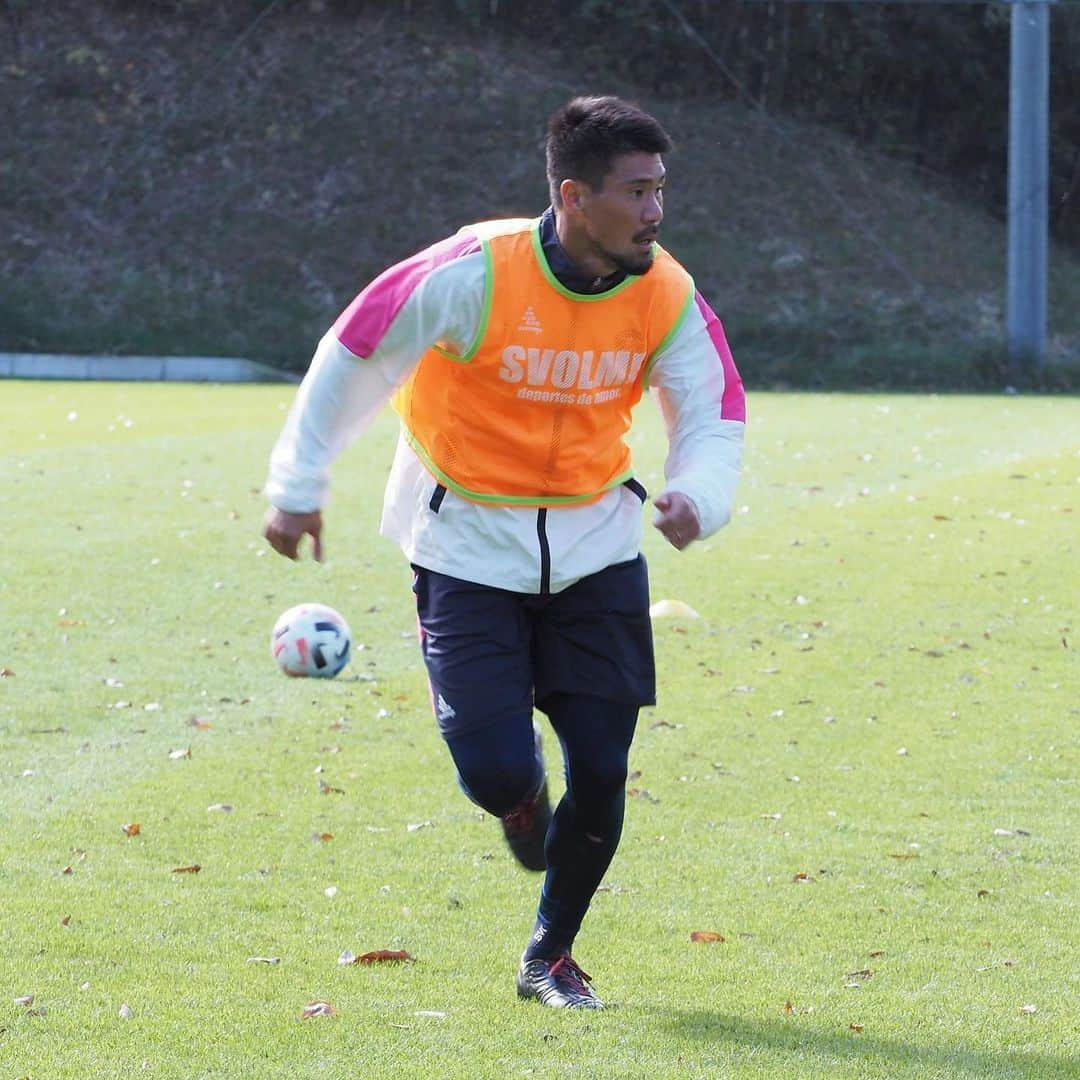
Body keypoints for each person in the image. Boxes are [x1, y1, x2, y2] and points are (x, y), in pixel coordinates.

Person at [262, 95, 745, 1010]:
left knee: (602, 768)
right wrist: (296, 487)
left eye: (660, 190)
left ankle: (550, 957)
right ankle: (519, 798)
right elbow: (355, 352)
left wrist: (699, 498)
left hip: (597, 548)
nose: (656, 213)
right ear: (573, 194)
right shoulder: (472, 272)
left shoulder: (666, 291)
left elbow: (714, 405)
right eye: (636, 192)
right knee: (493, 771)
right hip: (464, 548)